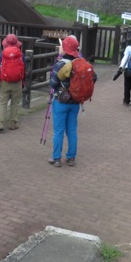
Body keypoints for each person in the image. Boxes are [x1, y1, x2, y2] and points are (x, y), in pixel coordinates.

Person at [48, 35, 95, 167]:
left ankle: (56, 158)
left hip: (60, 101)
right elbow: (93, 77)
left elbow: (53, 84)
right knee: (72, 130)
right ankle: (71, 158)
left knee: (58, 131)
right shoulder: (82, 63)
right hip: (75, 101)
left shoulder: (60, 64)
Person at [0, 33, 24, 132]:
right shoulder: (20, 54)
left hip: (5, 82)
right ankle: (13, 123)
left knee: (3, 103)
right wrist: (23, 81)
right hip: (17, 82)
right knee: (15, 103)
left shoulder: (3, 54)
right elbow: (24, 69)